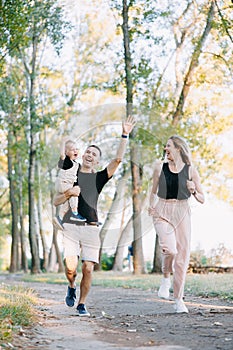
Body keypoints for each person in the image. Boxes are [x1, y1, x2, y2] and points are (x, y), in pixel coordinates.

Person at [53, 115, 136, 316]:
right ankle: (71, 285)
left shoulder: (99, 178)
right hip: (71, 227)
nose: (90, 155)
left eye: (94, 154)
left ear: (97, 160)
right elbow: (55, 201)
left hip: (91, 228)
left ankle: (82, 303)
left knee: (88, 269)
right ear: (82, 156)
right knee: (71, 269)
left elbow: (117, 160)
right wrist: (68, 193)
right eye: (87, 152)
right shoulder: (71, 170)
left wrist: (124, 134)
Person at [149, 135, 204, 313]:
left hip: (182, 212)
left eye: (169, 146)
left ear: (178, 148)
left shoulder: (190, 170)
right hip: (162, 210)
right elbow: (153, 190)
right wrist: (151, 206)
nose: (166, 149)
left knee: (182, 256)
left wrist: (194, 190)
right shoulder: (159, 167)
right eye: (165, 146)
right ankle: (166, 277)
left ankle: (178, 300)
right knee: (170, 249)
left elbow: (202, 199)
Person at [53, 138, 86, 231]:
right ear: (66, 152)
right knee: (74, 194)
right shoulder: (66, 162)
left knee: (69, 199)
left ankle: (60, 217)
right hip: (62, 183)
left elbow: (77, 177)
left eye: (76, 149)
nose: (75, 151)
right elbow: (62, 155)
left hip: (66, 185)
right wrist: (63, 142)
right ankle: (75, 212)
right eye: (72, 149)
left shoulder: (77, 165)